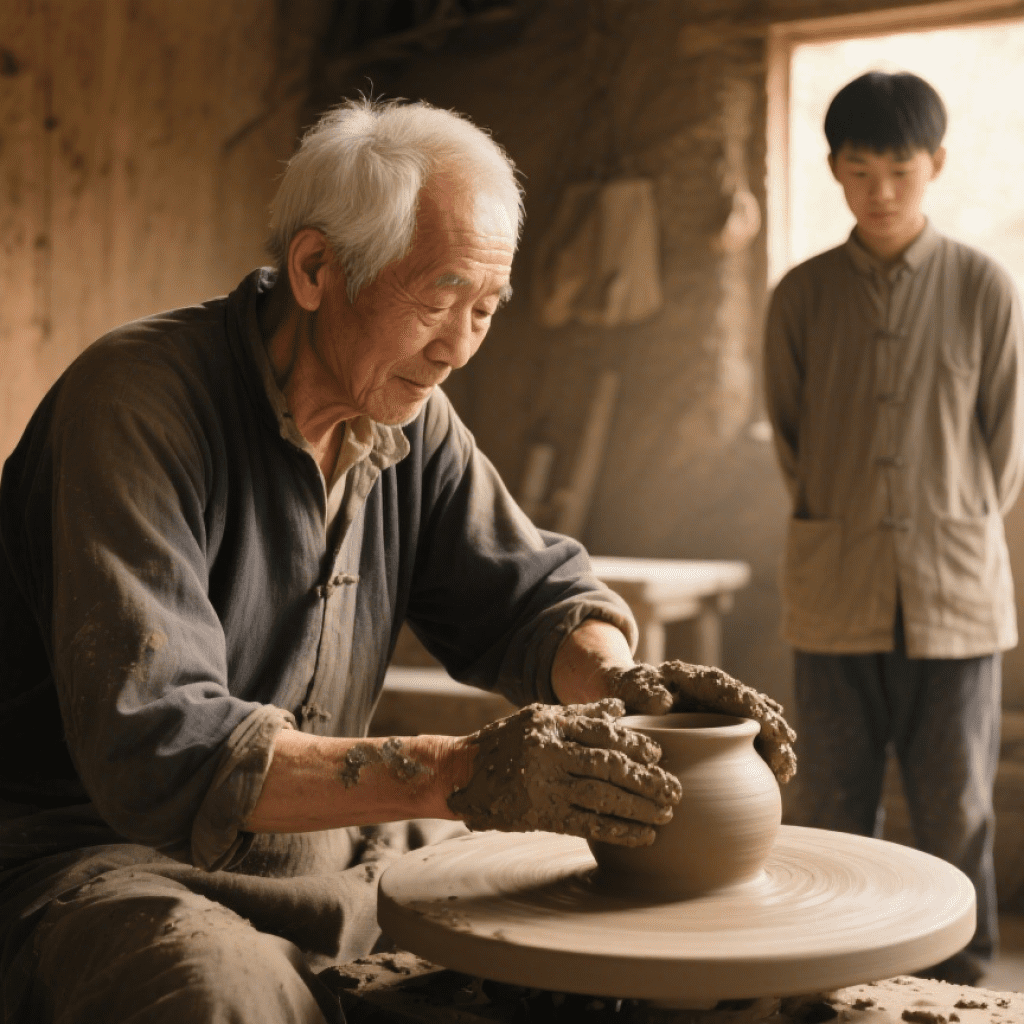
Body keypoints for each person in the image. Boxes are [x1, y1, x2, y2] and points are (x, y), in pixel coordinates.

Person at [0, 98, 795, 1023]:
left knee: (628, 948)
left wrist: (628, 688)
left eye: (486, 309)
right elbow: (161, 748)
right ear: (314, 268)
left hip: (329, 857)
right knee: (219, 999)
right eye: (439, 299)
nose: (459, 347)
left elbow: (529, 597)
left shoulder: (406, 423)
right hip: (101, 865)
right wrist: (463, 770)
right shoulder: (138, 405)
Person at [764, 70, 1024, 985]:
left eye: (900, 170)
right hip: (836, 591)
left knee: (956, 807)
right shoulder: (799, 296)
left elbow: (1004, 452)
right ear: (833, 170)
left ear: (936, 166)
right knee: (835, 802)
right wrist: (854, 522)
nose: (880, 191)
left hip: (955, 595)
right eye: (859, 169)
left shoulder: (986, 287)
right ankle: (842, 974)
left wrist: (941, 526)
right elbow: (791, 442)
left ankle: (963, 978)